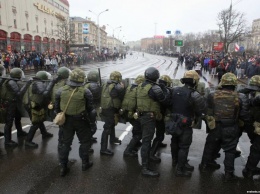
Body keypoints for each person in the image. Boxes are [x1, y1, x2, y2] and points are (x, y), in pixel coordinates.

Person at [199, 73, 250, 182]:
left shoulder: (212, 95)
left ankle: (204, 165)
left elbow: (208, 112)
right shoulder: (241, 97)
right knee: (230, 151)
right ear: (234, 84)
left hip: (215, 126)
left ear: (223, 82)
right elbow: (245, 116)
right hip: (231, 127)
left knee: (209, 146)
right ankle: (228, 175)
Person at [55, 68, 97, 177]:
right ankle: (85, 163)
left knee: (65, 143)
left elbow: (56, 109)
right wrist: (92, 123)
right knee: (85, 142)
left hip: (66, 121)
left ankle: (63, 167)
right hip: (81, 120)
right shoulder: (85, 91)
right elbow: (91, 110)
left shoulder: (61, 90)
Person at [165, 70, 206, 177]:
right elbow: (201, 110)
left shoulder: (174, 90)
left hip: (174, 121)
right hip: (186, 122)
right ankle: (180, 169)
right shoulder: (194, 94)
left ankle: (176, 161)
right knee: (184, 146)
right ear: (194, 81)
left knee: (174, 142)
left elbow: (168, 104)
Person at [136, 67, 169, 177]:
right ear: (156, 76)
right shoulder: (155, 87)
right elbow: (164, 101)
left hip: (141, 116)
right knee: (146, 141)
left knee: (146, 140)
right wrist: (164, 88)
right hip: (149, 117)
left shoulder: (141, 85)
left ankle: (147, 159)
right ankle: (144, 168)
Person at [25, 71, 57, 148]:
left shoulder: (34, 82)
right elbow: (44, 93)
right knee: (36, 123)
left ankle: (44, 133)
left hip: (33, 104)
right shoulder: (38, 83)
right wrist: (52, 83)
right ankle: (28, 141)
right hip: (35, 105)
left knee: (39, 120)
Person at [0, 68, 31, 146]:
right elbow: (19, 94)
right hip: (10, 103)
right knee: (9, 122)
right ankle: (7, 141)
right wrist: (27, 84)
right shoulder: (11, 82)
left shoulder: (10, 80)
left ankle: (19, 132)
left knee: (18, 117)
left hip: (13, 102)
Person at [100, 71, 125, 156]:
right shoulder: (116, 86)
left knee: (112, 124)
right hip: (110, 108)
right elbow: (120, 95)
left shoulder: (106, 84)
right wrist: (122, 88)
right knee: (107, 128)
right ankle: (103, 149)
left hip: (106, 108)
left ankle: (113, 139)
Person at [150, 75, 172, 163]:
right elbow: (166, 102)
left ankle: (159, 143)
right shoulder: (165, 90)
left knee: (159, 131)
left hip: (155, 113)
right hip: (160, 114)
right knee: (160, 134)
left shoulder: (155, 88)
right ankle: (151, 154)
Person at [242, 75, 260, 178]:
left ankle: (250, 168)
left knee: (256, 147)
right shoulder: (255, 96)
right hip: (255, 124)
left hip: (250, 124)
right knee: (256, 149)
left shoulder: (245, 92)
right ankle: (249, 170)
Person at [122, 75, 145, 157]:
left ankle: (136, 142)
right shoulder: (139, 89)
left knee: (135, 127)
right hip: (134, 113)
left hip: (126, 112)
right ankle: (128, 150)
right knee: (139, 133)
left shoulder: (130, 87)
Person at [49, 67, 71, 149]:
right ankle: (62, 143)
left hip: (56, 107)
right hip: (63, 107)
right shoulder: (66, 83)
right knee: (64, 127)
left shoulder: (54, 82)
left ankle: (61, 142)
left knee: (62, 126)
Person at [85, 70, 102, 151]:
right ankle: (87, 145)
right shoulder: (95, 86)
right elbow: (97, 97)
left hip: (84, 108)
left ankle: (89, 138)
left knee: (87, 125)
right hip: (91, 108)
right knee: (92, 126)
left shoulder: (85, 84)